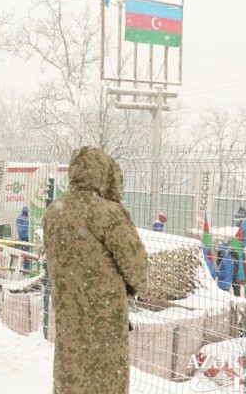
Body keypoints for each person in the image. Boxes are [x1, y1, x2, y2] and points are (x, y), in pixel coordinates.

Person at [42, 146, 148, 394]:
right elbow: (138, 269)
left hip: (68, 313)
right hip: (104, 320)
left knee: (71, 373)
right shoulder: (107, 213)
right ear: (102, 172)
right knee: (105, 379)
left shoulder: (53, 211)